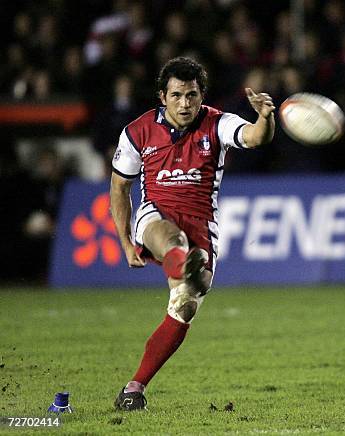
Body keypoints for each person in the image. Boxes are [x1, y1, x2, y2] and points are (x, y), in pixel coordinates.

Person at [110, 56, 275, 411]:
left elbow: (254, 137)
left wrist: (265, 116)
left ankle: (134, 387)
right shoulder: (137, 131)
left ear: (201, 95)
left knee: (183, 308)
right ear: (162, 96)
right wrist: (125, 243)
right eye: (177, 95)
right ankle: (183, 262)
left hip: (203, 224)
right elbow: (120, 188)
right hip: (157, 216)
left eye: (192, 95)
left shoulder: (217, 123)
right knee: (174, 241)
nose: (185, 103)